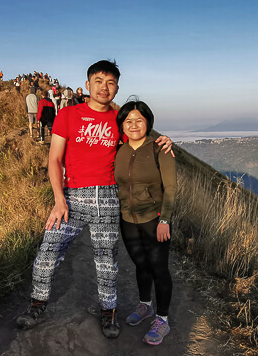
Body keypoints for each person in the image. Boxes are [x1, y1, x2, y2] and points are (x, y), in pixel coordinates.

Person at [16, 60, 173, 339]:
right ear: (87, 85)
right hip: (72, 197)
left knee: (106, 261)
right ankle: (37, 305)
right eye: (98, 81)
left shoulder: (118, 118)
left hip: (108, 197)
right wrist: (58, 199)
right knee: (47, 252)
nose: (104, 87)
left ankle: (109, 312)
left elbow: (140, 137)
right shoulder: (68, 115)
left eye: (111, 82)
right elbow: (54, 159)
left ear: (117, 88)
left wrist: (164, 141)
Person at [114, 100, 177, 345]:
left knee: (158, 268)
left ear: (148, 122)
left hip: (154, 219)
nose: (134, 125)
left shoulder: (160, 148)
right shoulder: (119, 149)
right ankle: (145, 306)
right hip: (127, 219)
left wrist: (165, 220)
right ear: (122, 125)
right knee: (140, 264)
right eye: (128, 121)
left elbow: (170, 188)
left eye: (139, 120)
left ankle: (162, 319)